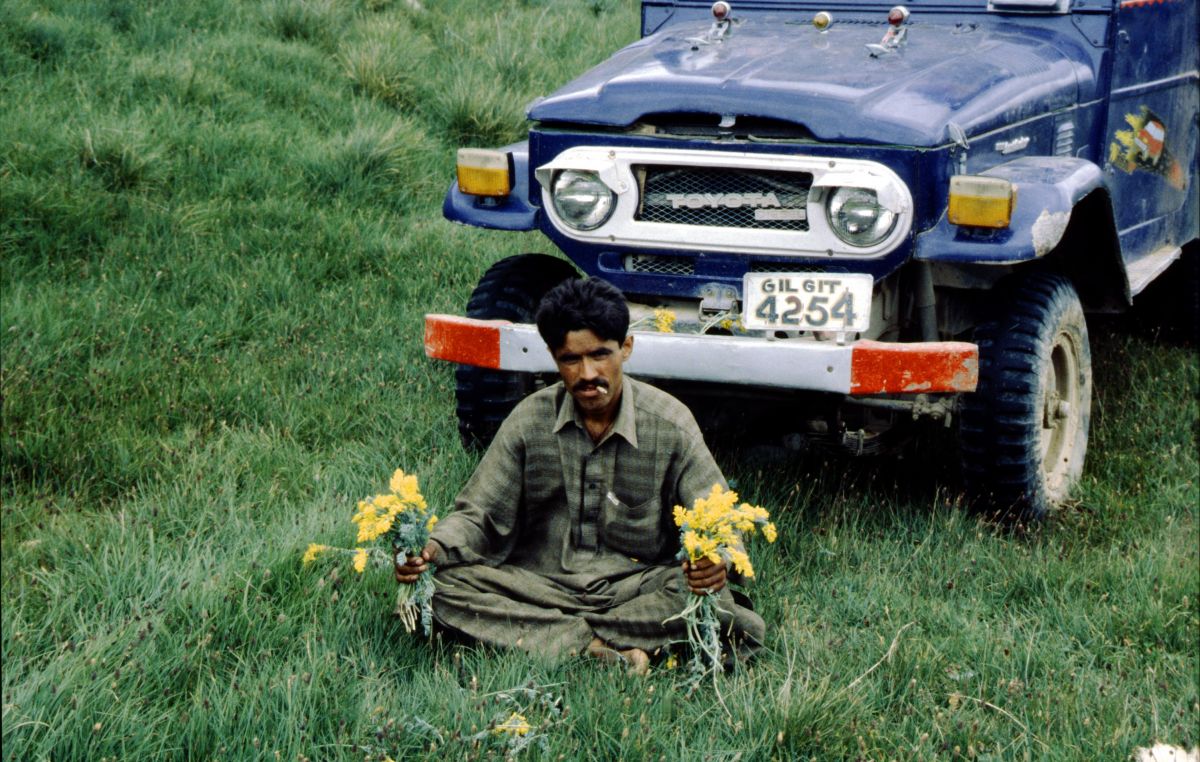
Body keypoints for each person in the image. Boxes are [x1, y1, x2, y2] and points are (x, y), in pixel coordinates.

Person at [395, 277, 764, 673]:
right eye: (571, 359)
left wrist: (716, 562)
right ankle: (597, 646)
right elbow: (477, 515)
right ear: (555, 358)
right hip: (538, 585)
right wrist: (430, 549)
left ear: (626, 348)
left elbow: (722, 525)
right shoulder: (529, 420)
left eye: (600, 355)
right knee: (434, 586)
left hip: (637, 589)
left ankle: (555, 640)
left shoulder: (670, 424)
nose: (588, 373)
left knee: (721, 605)